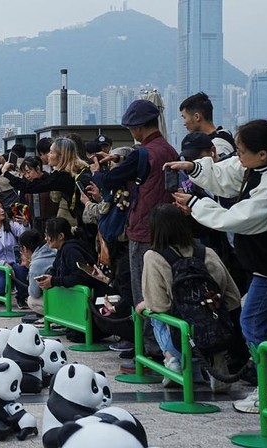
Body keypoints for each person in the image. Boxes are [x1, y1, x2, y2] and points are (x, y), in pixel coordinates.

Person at [167, 119, 267, 413]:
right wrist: (195, 169)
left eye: (242, 151)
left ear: (263, 154)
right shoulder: (258, 168)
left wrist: (196, 204)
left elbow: (239, 218)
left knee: (252, 322)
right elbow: (228, 172)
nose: (237, 156)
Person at [90, 99, 178, 358]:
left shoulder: (142, 154)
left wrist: (97, 171)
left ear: (138, 128)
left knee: (143, 293)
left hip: (141, 230)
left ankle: (148, 349)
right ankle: (167, 347)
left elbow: (110, 180)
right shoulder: (169, 151)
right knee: (164, 292)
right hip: (168, 229)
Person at [136, 204, 240, 391]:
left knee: (152, 314)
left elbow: (159, 305)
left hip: (181, 339)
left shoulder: (153, 256)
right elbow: (233, 298)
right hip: (217, 336)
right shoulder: (206, 252)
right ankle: (216, 362)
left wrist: (143, 306)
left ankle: (172, 360)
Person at [2, 137, 91, 227]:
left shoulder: (62, 176)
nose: (48, 155)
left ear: (60, 156)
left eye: (51, 152)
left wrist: (6, 173)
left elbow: (30, 187)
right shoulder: (80, 169)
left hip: (83, 221)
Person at [179, 92, 236, 159]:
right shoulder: (224, 134)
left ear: (197, 117)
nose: (184, 123)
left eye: (184, 117)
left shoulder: (218, 145)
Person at [19, 229, 56, 316]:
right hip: (69, 296)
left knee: (31, 300)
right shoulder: (54, 250)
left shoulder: (36, 264)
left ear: (24, 248)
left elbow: (34, 293)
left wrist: (30, 268)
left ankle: (53, 317)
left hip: (58, 301)